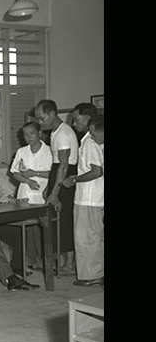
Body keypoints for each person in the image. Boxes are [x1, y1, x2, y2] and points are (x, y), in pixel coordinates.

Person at [0, 144, 39, 290]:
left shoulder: (0, 177)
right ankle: (3, 274)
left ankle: (16, 269)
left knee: (19, 232)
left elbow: (7, 196)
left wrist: (17, 201)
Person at [34, 99, 79, 274]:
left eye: (42, 118)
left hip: (65, 176)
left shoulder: (63, 134)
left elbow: (64, 166)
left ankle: (69, 264)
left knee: (65, 220)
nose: (40, 122)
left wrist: (55, 192)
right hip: (58, 173)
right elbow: (57, 165)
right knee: (59, 221)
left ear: (52, 114)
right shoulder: (55, 132)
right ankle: (60, 261)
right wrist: (49, 187)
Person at [63, 114, 104, 286]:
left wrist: (74, 179)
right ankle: (95, 273)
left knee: (86, 238)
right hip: (93, 197)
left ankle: (91, 275)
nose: (75, 123)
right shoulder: (90, 141)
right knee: (93, 237)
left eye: (79, 119)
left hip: (89, 198)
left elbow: (96, 171)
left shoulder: (89, 142)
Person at [10, 122, 53, 272]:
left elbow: (52, 173)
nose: (28, 137)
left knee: (42, 227)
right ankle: (30, 258)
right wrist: (27, 180)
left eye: (31, 133)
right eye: (25, 134)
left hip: (43, 193)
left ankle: (45, 259)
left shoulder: (49, 151)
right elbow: (15, 173)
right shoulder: (22, 152)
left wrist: (34, 173)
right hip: (25, 194)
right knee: (26, 228)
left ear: (39, 133)